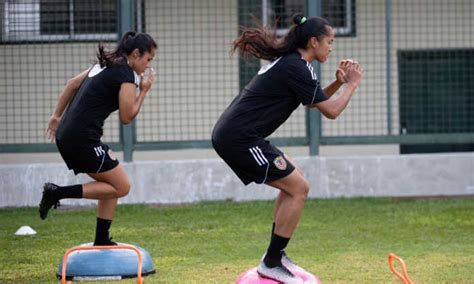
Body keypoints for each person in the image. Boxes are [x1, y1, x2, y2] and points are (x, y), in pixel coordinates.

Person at [212, 14, 362, 283]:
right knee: (299, 189)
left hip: (240, 135)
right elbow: (331, 111)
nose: (331, 47)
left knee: (294, 183)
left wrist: (339, 83)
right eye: (329, 41)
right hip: (240, 138)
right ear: (314, 42)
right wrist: (351, 85)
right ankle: (271, 261)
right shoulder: (297, 67)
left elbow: (313, 100)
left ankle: (276, 256)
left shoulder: (293, 64)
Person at [39, 31, 157, 246]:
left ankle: (101, 238)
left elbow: (72, 84)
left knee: (112, 182)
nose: (147, 67)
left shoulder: (107, 63)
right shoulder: (127, 74)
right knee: (122, 187)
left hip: (68, 134)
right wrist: (144, 91)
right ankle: (57, 193)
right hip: (83, 139)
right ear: (136, 53)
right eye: (148, 60)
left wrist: (56, 116)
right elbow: (126, 117)